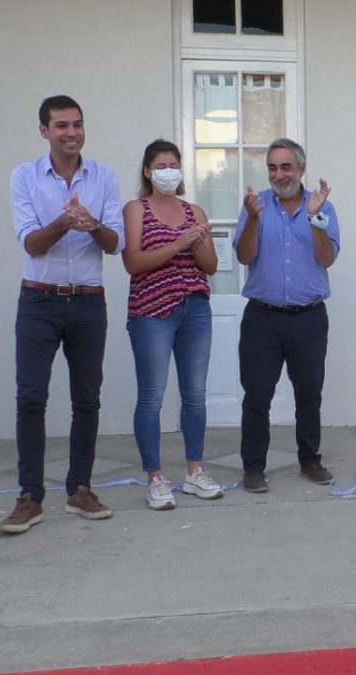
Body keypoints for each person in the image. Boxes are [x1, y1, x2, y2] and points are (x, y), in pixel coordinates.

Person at [0, 95, 126, 534]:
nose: (71, 132)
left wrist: (90, 223)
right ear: (44, 131)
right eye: (61, 126)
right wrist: (63, 221)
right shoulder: (24, 177)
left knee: (87, 399)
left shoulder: (104, 177)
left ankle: (80, 490)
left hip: (89, 301)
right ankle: (30, 496)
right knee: (31, 398)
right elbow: (32, 243)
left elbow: (114, 244)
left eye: (77, 124)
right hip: (39, 300)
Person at [234, 138, 339, 493]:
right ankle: (253, 467)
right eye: (273, 168)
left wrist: (314, 219)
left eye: (286, 167)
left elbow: (326, 259)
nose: (279, 175)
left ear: (301, 169)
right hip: (262, 319)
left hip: (309, 318)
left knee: (309, 393)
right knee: (257, 395)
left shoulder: (323, 207)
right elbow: (244, 257)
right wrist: (251, 220)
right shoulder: (256, 206)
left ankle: (310, 460)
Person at [123, 139, 222, 510]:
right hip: (151, 311)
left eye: (174, 164)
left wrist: (197, 242)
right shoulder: (137, 209)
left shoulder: (194, 210)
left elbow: (210, 266)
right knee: (152, 395)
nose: (169, 171)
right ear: (148, 171)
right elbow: (133, 262)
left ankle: (195, 470)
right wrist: (179, 243)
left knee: (195, 393)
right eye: (161, 165)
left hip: (195, 307)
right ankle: (156, 478)